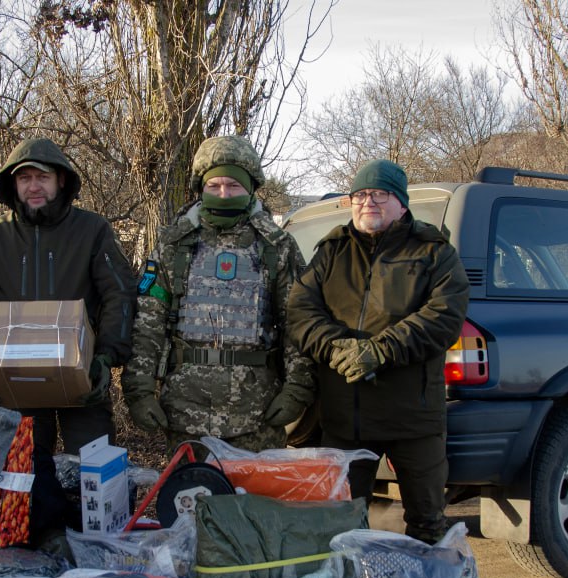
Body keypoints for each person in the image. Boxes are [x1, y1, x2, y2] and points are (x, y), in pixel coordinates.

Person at [0, 137, 136, 543]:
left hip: (82, 380)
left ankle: (100, 556)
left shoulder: (92, 230)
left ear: (61, 182)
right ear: (13, 186)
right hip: (14, 385)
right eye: (25, 178)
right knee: (17, 481)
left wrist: (106, 358)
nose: (34, 186)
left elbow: (119, 294)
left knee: (97, 474)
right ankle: (31, 560)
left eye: (43, 177)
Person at [286, 159, 468, 543]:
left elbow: (443, 316)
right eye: (361, 194)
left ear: (401, 203)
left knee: (427, 524)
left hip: (413, 419)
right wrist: (337, 348)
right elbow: (300, 310)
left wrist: (381, 350)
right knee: (339, 526)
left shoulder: (434, 252)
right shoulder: (331, 252)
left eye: (380, 194)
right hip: (345, 419)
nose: (369, 202)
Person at [121, 135, 314, 454]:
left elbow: (298, 323)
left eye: (233, 186)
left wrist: (297, 389)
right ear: (201, 188)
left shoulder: (276, 247)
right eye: (215, 186)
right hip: (186, 413)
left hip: (257, 414)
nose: (224, 193)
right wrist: (139, 392)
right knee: (190, 498)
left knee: (252, 503)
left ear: (251, 187)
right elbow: (147, 324)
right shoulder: (173, 246)